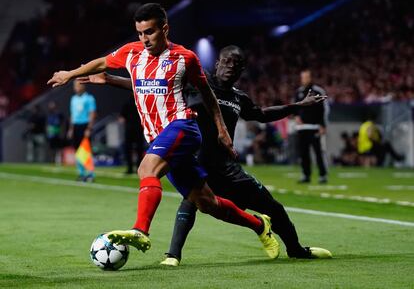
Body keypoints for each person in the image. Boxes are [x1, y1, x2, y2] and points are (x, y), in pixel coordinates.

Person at [48, 3, 280, 260]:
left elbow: (207, 94)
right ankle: (260, 226)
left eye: (149, 32)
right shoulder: (131, 53)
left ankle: (140, 230)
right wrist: (70, 74)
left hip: (182, 126)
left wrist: (221, 128)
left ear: (165, 28)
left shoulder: (185, 58)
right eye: (139, 33)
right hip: (159, 136)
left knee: (146, 169)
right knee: (206, 203)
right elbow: (102, 61)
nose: (144, 38)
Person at [82, 45, 332, 266]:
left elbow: (263, 114)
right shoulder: (196, 83)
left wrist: (298, 106)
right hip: (198, 160)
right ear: (217, 64)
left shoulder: (238, 98)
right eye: (226, 62)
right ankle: (172, 255)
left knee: (274, 208)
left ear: (242, 69)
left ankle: (296, 250)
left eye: (236, 64)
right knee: (190, 203)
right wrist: (111, 79)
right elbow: (150, 86)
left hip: (228, 169)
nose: (230, 67)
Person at [294, 69, 329, 184]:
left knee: (318, 152)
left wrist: (323, 125)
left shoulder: (318, 91)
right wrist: (296, 116)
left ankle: (323, 175)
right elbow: (294, 107)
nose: (304, 79)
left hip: (314, 127)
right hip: (301, 128)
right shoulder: (298, 92)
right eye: (302, 77)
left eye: (306, 77)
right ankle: (306, 175)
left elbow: (324, 109)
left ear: (310, 78)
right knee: (303, 153)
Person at [68, 79, 97, 181]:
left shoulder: (89, 98)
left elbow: (92, 113)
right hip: (76, 126)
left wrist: (89, 128)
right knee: (77, 150)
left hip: (85, 125)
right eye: (75, 85)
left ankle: (90, 174)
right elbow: (72, 115)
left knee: (86, 150)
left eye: (78, 85)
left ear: (83, 86)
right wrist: (71, 129)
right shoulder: (73, 99)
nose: (76, 87)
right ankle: (81, 173)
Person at [119, 94, 145, 174]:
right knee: (139, 149)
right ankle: (139, 167)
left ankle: (130, 168)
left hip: (129, 129)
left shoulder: (127, 104)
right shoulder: (141, 104)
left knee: (128, 149)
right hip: (139, 129)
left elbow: (121, 119)